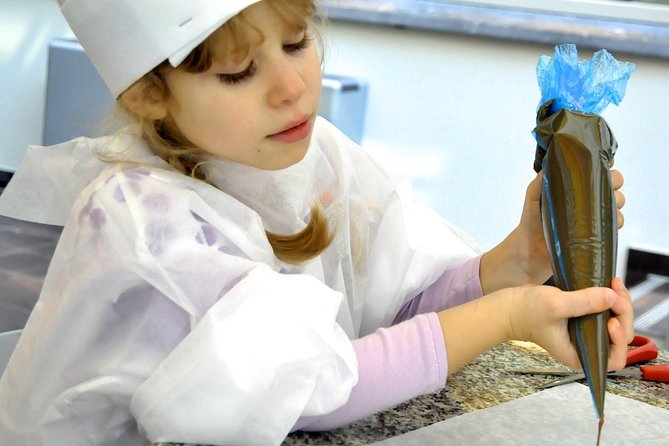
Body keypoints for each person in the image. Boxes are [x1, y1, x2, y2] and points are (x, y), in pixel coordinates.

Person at [0, 0, 633, 445]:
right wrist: (509, 314)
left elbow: (395, 315)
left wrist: (516, 261)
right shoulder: (144, 221)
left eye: (297, 42)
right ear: (150, 95)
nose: (291, 87)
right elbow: (318, 388)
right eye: (237, 72)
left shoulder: (317, 155)